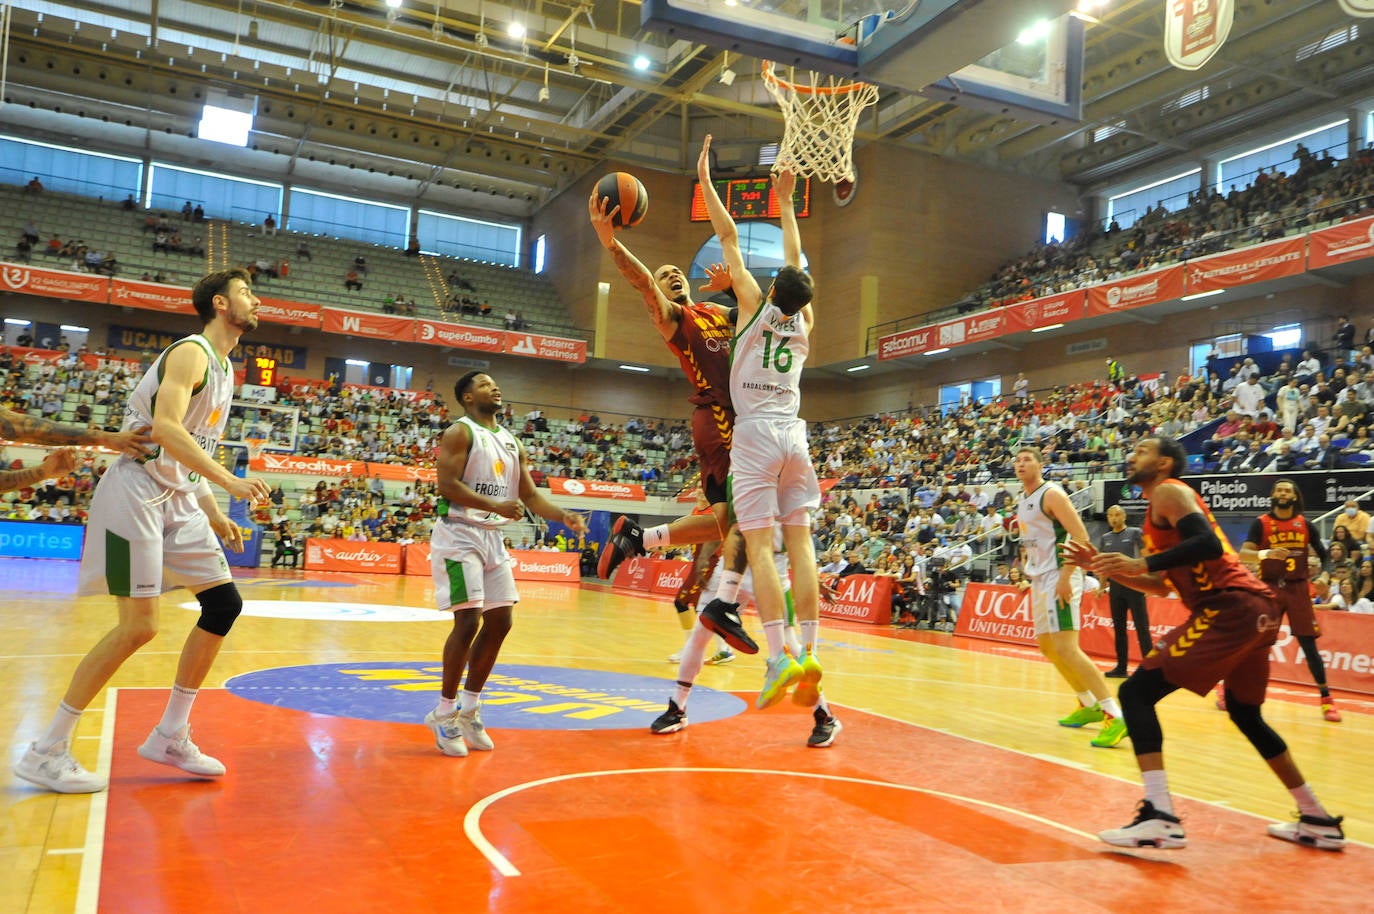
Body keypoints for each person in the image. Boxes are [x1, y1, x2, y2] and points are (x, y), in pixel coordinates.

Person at [12, 268, 273, 794]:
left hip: (176, 498)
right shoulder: (192, 352)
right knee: (139, 627)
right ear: (221, 304)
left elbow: (188, 451)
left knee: (223, 606)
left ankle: (171, 734)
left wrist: (215, 509)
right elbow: (166, 431)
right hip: (130, 493)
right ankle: (47, 750)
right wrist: (230, 482)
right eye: (246, 292)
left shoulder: (225, 369)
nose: (256, 299)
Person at [1067, 437, 1345, 851]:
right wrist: (1110, 569)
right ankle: (1316, 817)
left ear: (1163, 462)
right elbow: (1162, 587)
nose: (1132, 455)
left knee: (1135, 692)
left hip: (1229, 607)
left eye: (1142, 450)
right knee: (1245, 714)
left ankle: (1160, 816)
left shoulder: (1168, 490)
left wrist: (1141, 561)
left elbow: (1210, 545)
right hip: (1255, 609)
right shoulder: (1159, 514)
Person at [692, 134, 838, 746]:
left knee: (758, 545)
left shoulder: (752, 305)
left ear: (770, 288)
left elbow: (727, 235)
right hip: (796, 436)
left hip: (754, 436)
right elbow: (799, 265)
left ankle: (779, 657)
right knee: (801, 547)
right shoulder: (805, 322)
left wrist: (706, 178)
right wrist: (784, 205)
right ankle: (810, 648)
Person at [587, 160, 748, 633]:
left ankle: (640, 536)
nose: (672, 275)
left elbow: (757, 315)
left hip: (739, 421)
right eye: (664, 275)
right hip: (717, 419)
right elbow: (639, 282)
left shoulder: (718, 310)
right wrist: (612, 244)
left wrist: (733, 285)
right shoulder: (673, 318)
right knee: (743, 518)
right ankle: (719, 604)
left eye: (677, 271)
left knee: (726, 521)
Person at [422, 370, 586, 758]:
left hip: (492, 537)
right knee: (468, 619)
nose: (494, 386)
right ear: (466, 397)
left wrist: (564, 515)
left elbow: (529, 495)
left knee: (502, 621)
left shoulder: (511, 441)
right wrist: (494, 505)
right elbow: (446, 486)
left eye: (495, 382)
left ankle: (470, 710)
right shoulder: (459, 432)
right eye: (483, 384)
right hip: (459, 534)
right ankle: (443, 714)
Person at [1013, 445, 1127, 748]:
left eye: (1027, 460)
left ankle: (1115, 715)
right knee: (1048, 647)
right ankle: (1087, 703)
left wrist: (1065, 576)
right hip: (1041, 577)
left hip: (1060, 576)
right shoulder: (1023, 499)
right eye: (1018, 460)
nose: (1021, 464)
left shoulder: (1051, 494)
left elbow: (1080, 536)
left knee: (1067, 647)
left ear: (1040, 465)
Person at [1231, 480, 1339, 722]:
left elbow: (1324, 555)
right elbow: (1242, 553)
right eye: (1279, 490)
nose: (1282, 493)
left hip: (1298, 588)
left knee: (1309, 646)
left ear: (1294, 496)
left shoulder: (1305, 524)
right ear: (1273, 495)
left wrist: (1323, 574)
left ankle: (1326, 699)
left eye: (1287, 490)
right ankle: (1228, 688)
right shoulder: (1261, 523)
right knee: (1253, 642)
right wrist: (1265, 553)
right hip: (1270, 587)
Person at [1098, 505, 1151, 678]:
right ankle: (1121, 667)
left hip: (1135, 586)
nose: (1114, 518)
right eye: (1110, 515)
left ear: (1124, 516)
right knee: (1119, 629)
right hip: (1116, 589)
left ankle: (1150, 669)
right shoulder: (1105, 538)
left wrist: (1150, 583)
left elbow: (1146, 557)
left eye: (1117, 514)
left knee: (1142, 628)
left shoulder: (1135, 533)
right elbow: (1104, 565)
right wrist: (1101, 586)